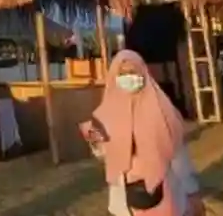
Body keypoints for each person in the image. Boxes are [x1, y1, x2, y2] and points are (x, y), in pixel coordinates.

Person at [84, 50, 204, 216]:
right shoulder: (105, 115)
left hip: (165, 197)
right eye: (122, 73)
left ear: (143, 73)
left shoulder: (163, 111)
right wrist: (96, 142)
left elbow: (179, 157)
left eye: (133, 71)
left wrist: (191, 191)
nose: (128, 77)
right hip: (125, 202)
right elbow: (104, 155)